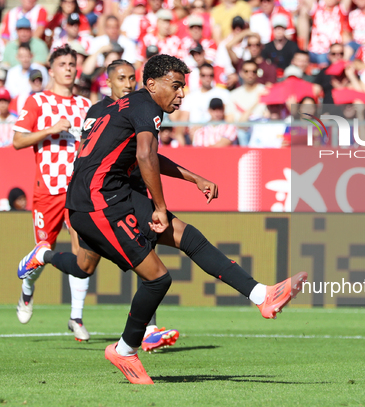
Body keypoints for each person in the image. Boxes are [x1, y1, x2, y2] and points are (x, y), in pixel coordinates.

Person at [63, 54, 305, 384]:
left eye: (183, 86)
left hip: (111, 195)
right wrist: (159, 207)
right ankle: (125, 349)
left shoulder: (124, 105)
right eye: (175, 86)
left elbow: (145, 153)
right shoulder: (147, 107)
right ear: (152, 84)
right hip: (97, 202)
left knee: (187, 236)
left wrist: (193, 178)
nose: (182, 94)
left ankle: (262, 295)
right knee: (157, 278)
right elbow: (145, 154)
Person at [18, 59, 181, 350]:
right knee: (88, 265)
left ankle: (145, 328)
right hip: (99, 198)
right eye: (122, 78)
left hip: (130, 191)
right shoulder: (98, 110)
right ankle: (44, 260)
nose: (129, 84)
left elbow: (149, 154)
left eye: (133, 78)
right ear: (109, 82)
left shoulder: (140, 105)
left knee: (141, 252)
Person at [12, 45, 92, 339]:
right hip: (47, 190)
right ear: (52, 68)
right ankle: (27, 289)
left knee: (81, 249)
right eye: (63, 64)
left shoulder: (85, 105)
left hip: (77, 189)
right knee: (42, 251)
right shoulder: (38, 101)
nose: (69, 68)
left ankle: (76, 316)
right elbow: (18, 141)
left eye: (72, 63)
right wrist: (51, 129)